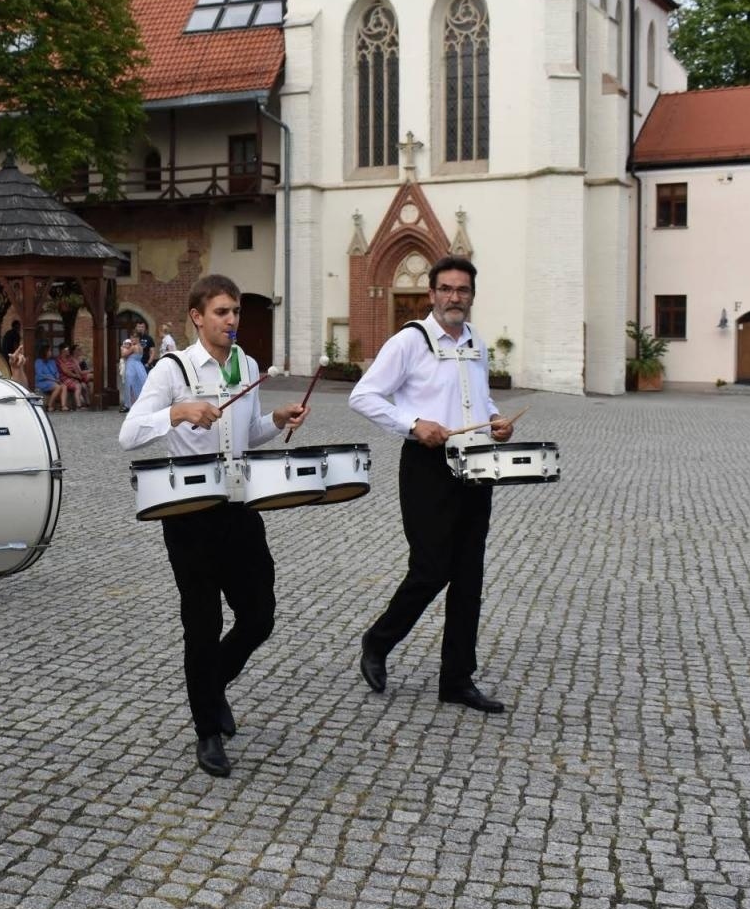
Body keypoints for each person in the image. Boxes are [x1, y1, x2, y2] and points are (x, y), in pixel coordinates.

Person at [119, 274, 310, 778]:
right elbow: (129, 434)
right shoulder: (173, 368)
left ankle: (211, 685)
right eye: (222, 312)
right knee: (201, 625)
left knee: (260, 615)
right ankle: (207, 729)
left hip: (240, 506)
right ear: (198, 317)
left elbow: (248, 434)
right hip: (190, 513)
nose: (231, 321)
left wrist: (279, 419)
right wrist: (177, 413)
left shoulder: (246, 366)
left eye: (236, 313)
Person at [349, 255, 514, 714]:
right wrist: (412, 423)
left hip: (476, 468)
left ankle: (457, 679)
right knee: (431, 568)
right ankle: (378, 641)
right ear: (431, 294)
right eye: (446, 289)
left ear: (472, 296)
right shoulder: (410, 341)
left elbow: (478, 397)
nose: (454, 297)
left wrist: (495, 419)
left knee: (468, 577)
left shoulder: (476, 342)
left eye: (462, 290)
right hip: (426, 467)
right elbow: (363, 395)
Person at [57, 342, 90, 408]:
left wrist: (78, 375)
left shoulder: (69, 359)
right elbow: (66, 372)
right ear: (63, 350)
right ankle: (78, 405)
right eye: (67, 349)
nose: (69, 351)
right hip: (64, 378)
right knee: (78, 386)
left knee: (83, 385)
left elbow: (75, 368)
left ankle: (87, 403)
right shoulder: (59, 360)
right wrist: (75, 376)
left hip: (73, 377)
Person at [34, 343, 66, 411]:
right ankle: (50, 405)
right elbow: (40, 375)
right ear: (45, 352)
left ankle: (63, 406)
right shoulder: (38, 362)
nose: (50, 352)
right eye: (49, 351)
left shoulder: (52, 361)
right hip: (42, 382)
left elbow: (56, 372)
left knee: (64, 386)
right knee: (58, 387)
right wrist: (53, 380)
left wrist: (57, 378)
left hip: (53, 381)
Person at [120, 337, 148, 410]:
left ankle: (131, 404)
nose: (132, 340)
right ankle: (141, 403)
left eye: (133, 338)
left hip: (132, 367)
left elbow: (124, 354)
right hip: (139, 366)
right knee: (140, 384)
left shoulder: (133, 347)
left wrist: (122, 348)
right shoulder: (140, 347)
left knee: (130, 385)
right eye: (131, 338)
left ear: (137, 339)